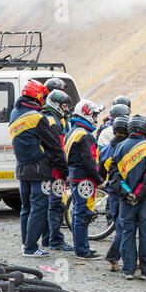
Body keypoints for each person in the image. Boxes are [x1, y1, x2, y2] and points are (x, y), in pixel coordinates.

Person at [9, 79, 68, 257]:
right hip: (39, 171)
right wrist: (63, 171)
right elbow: (55, 145)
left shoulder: (14, 114)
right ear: (38, 96)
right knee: (39, 208)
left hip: (21, 169)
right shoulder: (37, 117)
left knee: (25, 208)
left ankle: (25, 243)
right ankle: (31, 247)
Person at [109, 115, 146, 281]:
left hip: (126, 200)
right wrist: (138, 195)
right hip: (145, 200)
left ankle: (128, 270)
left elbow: (114, 176)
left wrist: (128, 193)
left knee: (127, 233)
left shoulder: (119, 148)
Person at [64, 100, 104, 260]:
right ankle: (82, 251)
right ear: (86, 114)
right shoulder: (84, 135)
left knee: (78, 213)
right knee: (82, 214)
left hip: (75, 176)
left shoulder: (73, 131)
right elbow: (88, 161)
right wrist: (99, 179)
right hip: (84, 179)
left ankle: (81, 246)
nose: (96, 119)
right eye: (94, 115)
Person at [40, 89, 73, 252]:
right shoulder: (54, 122)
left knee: (48, 205)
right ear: (56, 105)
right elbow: (58, 150)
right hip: (55, 171)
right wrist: (65, 171)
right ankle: (56, 241)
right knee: (55, 205)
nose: (66, 109)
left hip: (47, 169)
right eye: (64, 106)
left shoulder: (46, 118)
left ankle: (47, 239)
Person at [100, 115, 129, 272]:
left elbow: (100, 170)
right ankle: (113, 257)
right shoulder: (125, 149)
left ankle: (124, 257)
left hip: (111, 191)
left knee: (120, 224)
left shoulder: (105, 149)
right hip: (124, 191)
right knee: (123, 227)